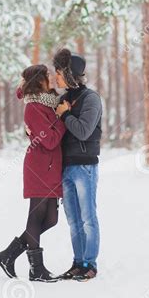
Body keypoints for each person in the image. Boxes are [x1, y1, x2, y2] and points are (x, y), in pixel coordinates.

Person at [0, 64, 65, 283]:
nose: (51, 78)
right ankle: (37, 269)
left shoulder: (48, 101)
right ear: (39, 80)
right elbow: (51, 140)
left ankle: (8, 255)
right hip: (40, 167)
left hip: (51, 168)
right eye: (47, 76)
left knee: (51, 220)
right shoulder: (33, 108)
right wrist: (61, 119)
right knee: (36, 217)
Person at [53, 48, 102, 281]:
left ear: (71, 74)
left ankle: (89, 264)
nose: (56, 77)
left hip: (84, 167)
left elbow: (83, 131)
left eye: (60, 73)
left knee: (88, 218)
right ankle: (77, 262)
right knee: (73, 220)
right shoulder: (62, 100)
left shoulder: (91, 98)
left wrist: (64, 115)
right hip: (66, 167)